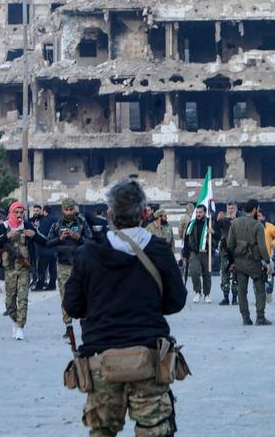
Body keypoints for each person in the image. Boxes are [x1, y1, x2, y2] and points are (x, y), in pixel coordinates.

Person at [64, 179, 187, 437]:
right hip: (149, 356)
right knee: (154, 429)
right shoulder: (159, 251)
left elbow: (73, 306)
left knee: (102, 431)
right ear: (145, 214)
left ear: (110, 215)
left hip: (100, 357)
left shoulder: (87, 254)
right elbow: (176, 301)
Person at [0, 201, 49, 340]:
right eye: (16, 212)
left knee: (23, 299)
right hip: (8, 270)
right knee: (10, 303)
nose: (19, 215)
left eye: (21, 212)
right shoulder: (3, 226)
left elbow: (44, 241)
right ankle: (15, 321)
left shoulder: (27, 225)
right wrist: (6, 236)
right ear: (11, 212)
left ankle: (21, 327)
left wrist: (33, 234)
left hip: (24, 268)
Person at [47, 198, 93, 338]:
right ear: (62, 210)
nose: (68, 212)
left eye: (70, 209)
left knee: (84, 295)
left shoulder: (82, 223)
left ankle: (85, 324)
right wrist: (59, 239)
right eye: (66, 210)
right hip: (63, 266)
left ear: (74, 209)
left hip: (80, 265)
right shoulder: (56, 225)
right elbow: (48, 243)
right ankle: (68, 326)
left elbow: (91, 242)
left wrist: (78, 238)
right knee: (65, 297)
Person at [227, 199, 272, 326]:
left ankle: (246, 318)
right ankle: (260, 317)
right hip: (254, 263)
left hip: (239, 262)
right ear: (254, 210)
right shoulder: (258, 225)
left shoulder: (235, 223)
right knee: (260, 289)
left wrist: (232, 261)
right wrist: (268, 262)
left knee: (242, 290)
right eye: (257, 209)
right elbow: (263, 247)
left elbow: (229, 245)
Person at [182, 204, 213, 304]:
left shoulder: (209, 222)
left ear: (204, 212)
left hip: (206, 253)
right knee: (194, 272)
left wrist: (213, 233)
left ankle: (207, 294)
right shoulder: (192, 223)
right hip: (194, 252)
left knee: (207, 274)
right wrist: (185, 252)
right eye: (197, 212)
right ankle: (197, 292)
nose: (198, 214)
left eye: (200, 212)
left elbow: (217, 237)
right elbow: (186, 239)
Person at [215, 205, 238, 305]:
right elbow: (213, 230)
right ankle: (226, 297)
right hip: (225, 251)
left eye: (232, 208)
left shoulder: (241, 218)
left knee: (237, 275)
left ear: (236, 209)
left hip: (237, 252)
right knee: (225, 274)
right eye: (229, 208)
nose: (230, 210)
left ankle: (234, 298)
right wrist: (217, 220)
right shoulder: (223, 220)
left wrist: (235, 220)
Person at [33, 206, 58, 291]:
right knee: (53, 268)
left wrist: (36, 228)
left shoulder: (45, 220)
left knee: (42, 268)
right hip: (54, 248)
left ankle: (39, 285)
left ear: (45, 211)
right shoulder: (57, 219)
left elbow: (41, 235)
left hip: (45, 248)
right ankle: (52, 285)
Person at [257, 209, 275, 303]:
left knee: (269, 277)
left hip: (268, 257)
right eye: (256, 216)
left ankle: (269, 295)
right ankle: (259, 298)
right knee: (257, 278)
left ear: (264, 217)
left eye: (260, 216)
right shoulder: (252, 226)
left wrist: (272, 243)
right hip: (256, 258)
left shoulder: (269, 227)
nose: (258, 218)